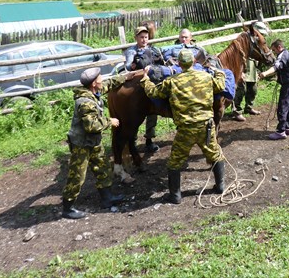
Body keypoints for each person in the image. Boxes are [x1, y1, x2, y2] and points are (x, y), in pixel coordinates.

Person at [140, 49, 227, 204]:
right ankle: (220, 186)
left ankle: (175, 195)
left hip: (186, 129)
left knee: (175, 162)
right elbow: (220, 86)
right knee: (215, 154)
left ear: (179, 64)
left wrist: (145, 79)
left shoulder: (172, 81)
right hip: (205, 126)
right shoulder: (206, 77)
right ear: (194, 62)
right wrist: (218, 72)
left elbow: (153, 92)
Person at [62, 67, 128, 219]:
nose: (102, 80)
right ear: (93, 83)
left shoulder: (94, 91)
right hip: (82, 145)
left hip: (94, 142)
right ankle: (68, 208)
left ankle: (107, 198)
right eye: (99, 78)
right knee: (77, 175)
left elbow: (109, 84)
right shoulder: (86, 103)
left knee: (103, 168)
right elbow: (91, 126)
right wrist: (109, 121)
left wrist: (126, 77)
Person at [124, 26, 163, 153]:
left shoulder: (153, 49)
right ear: (136, 38)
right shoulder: (132, 51)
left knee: (153, 112)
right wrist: (132, 65)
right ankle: (132, 140)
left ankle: (149, 140)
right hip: (138, 85)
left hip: (152, 82)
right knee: (135, 114)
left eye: (146, 37)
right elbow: (128, 65)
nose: (144, 39)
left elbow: (161, 63)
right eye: (141, 37)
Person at [258, 39, 289, 140]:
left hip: (287, 84)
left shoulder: (282, 56)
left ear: (279, 47)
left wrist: (264, 74)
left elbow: (276, 67)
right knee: (288, 106)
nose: (274, 53)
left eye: (274, 50)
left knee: (282, 107)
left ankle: (281, 131)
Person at [232, 21, 270, 122]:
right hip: (241, 64)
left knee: (253, 88)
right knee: (241, 89)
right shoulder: (244, 39)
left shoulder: (256, 40)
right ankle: (237, 111)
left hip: (251, 64)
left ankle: (249, 107)